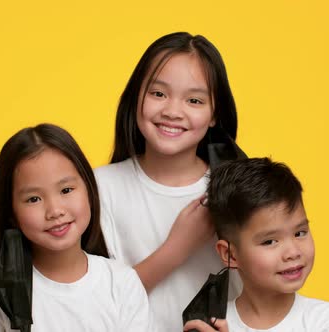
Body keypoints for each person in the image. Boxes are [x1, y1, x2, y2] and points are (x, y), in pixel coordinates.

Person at [94, 32, 242, 331]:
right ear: (137, 96)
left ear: (215, 114)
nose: (173, 111)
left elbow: (267, 292)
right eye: (158, 94)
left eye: (194, 100)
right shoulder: (98, 188)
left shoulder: (236, 189)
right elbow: (90, 304)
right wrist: (177, 248)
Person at [0, 124, 154, 331]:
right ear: (12, 213)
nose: (54, 210)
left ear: (89, 189)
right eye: (33, 199)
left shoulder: (121, 284)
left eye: (66, 190)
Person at [184, 157, 329, 331]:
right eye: (270, 241)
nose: (293, 252)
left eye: (299, 233)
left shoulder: (325, 319)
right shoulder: (212, 324)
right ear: (230, 255)